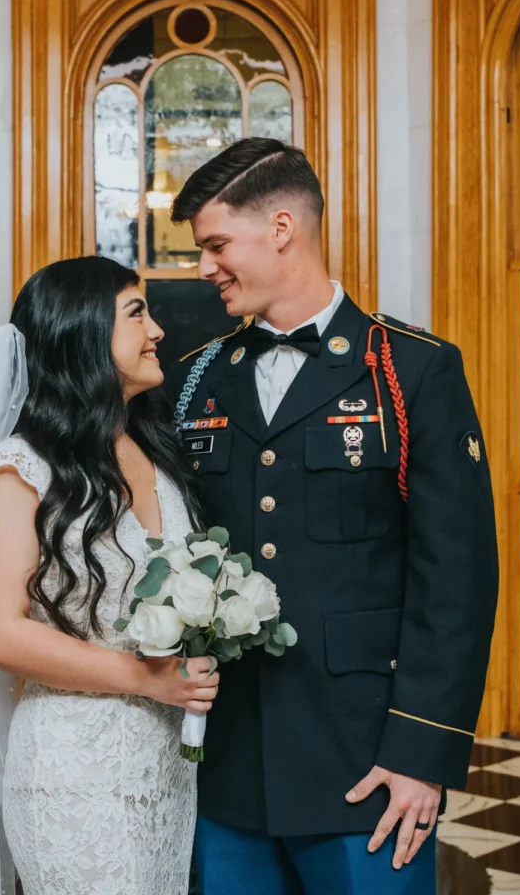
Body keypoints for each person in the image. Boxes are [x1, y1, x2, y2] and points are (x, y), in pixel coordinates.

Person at [169, 138, 500, 895]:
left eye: (216, 245)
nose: (203, 268)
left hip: (368, 766)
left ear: (281, 228)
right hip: (226, 765)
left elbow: (458, 579)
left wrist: (423, 751)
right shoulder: (195, 381)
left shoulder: (412, 368)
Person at [0, 256, 220, 895]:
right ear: (82, 334)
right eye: (137, 313)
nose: (158, 330)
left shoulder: (151, 446)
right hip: (73, 771)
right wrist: (146, 679)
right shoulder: (18, 470)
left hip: (165, 769)